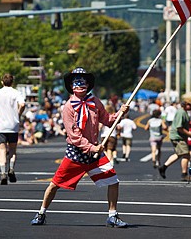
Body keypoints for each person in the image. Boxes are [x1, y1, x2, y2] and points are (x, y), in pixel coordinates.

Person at [30, 67, 130, 228]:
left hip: (94, 155)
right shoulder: (68, 107)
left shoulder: (95, 102)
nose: (80, 83)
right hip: (76, 154)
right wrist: (91, 147)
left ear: (88, 84)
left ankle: (113, 215)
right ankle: (41, 213)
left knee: (113, 180)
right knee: (55, 184)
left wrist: (121, 113)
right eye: (76, 80)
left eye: (83, 80)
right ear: (71, 85)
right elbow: (74, 136)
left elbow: (108, 120)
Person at [0, 73, 25, 185]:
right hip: (13, 125)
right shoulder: (16, 93)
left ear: (2, 82)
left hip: (0, 126)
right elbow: (22, 104)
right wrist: (18, 114)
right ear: (12, 82)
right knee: (12, 150)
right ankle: (11, 168)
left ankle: (3, 173)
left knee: (2, 150)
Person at [158, 98, 191, 181]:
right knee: (186, 154)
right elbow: (179, 127)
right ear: (185, 104)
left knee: (179, 154)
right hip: (178, 136)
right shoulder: (181, 112)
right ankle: (184, 174)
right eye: (190, 105)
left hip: (180, 136)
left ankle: (163, 167)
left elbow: (185, 123)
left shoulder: (184, 112)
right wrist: (189, 134)